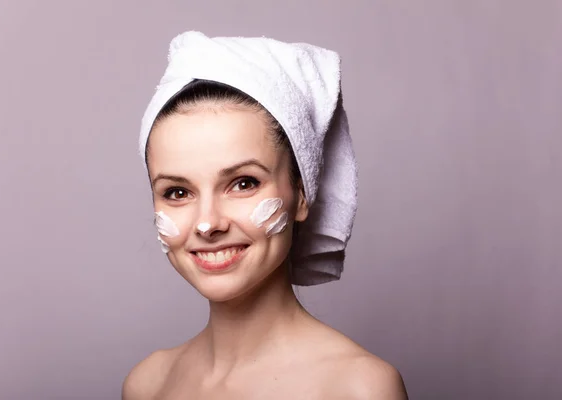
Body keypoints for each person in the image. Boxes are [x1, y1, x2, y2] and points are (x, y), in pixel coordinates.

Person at [122, 31, 408, 399]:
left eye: (243, 183)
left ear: (302, 193)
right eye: (178, 192)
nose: (208, 223)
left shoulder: (359, 388)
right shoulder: (147, 384)